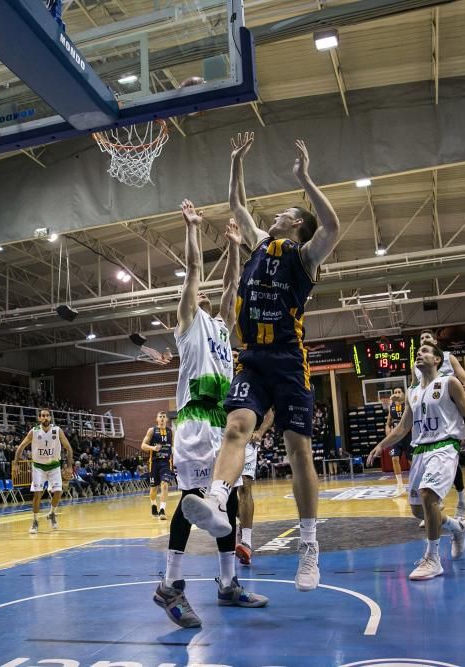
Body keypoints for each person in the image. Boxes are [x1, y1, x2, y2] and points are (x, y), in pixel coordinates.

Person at [180, 133, 341, 593]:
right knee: (236, 427)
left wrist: (305, 179)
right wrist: (235, 163)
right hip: (252, 360)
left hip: (289, 362)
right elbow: (237, 203)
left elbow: (331, 225)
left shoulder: (305, 257)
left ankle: (309, 546)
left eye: (284, 214)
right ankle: (215, 499)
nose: (274, 216)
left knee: (297, 451)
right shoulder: (255, 245)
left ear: (295, 225)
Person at [154, 212, 266, 629]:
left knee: (229, 501)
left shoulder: (222, 327)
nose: (201, 295)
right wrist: (191, 228)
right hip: (195, 421)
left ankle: (227, 584)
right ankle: (171, 585)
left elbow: (231, 285)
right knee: (192, 501)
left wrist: (236, 246)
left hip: (222, 422)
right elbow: (196, 272)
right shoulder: (188, 322)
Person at [367, 342, 465, 580]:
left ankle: (433, 559)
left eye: (425, 351)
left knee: (428, 495)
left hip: (444, 446)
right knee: (419, 511)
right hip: (420, 450)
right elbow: (403, 427)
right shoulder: (412, 391)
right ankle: (458, 528)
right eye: (417, 353)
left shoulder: (449, 383)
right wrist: (381, 445)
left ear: (437, 360)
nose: (419, 355)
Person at [415, 330, 465, 522]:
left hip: (450, 411)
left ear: (436, 341)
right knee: (426, 456)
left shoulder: (448, 358)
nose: (424, 340)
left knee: (447, 452)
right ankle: (433, 503)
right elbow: (416, 391)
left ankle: (461, 497)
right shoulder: (417, 366)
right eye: (422, 339)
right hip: (428, 417)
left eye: (428, 338)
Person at [13, 409, 74, 533]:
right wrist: (15, 464)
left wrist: (69, 466)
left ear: (50, 418)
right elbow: (20, 447)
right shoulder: (34, 432)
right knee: (37, 494)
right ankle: (35, 521)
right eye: (42, 416)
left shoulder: (57, 431)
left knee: (58, 492)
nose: (45, 417)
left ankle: (51, 513)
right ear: (39, 418)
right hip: (38, 467)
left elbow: (69, 448)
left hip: (54, 466)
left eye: (47, 415)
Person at [236, 409, 274, 566]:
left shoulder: (256, 385)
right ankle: (241, 520)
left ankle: (246, 542)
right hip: (224, 438)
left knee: (245, 487)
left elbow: (270, 413)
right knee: (227, 494)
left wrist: (260, 431)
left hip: (248, 441)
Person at [141, 411, 176, 520]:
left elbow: (174, 446)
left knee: (165, 484)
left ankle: (162, 510)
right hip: (154, 462)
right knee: (154, 488)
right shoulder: (152, 430)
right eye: (160, 417)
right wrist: (152, 448)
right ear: (157, 419)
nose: (162, 418)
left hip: (166, 462)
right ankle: (153, 506)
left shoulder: (171, 431)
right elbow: (143, 445)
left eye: (164, 417)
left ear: (166, 419)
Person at [385, 387, 413, 492]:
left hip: (407, 436)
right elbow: (388, 421)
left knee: (411, 461)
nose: (397, 394)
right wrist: (387, 428)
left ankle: (416, 482)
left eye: (399, 392)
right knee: (394, 459)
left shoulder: (407, 403)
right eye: (395, 392)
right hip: (396, 437)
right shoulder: (391, 406)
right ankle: (400, 486)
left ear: (403, 394)